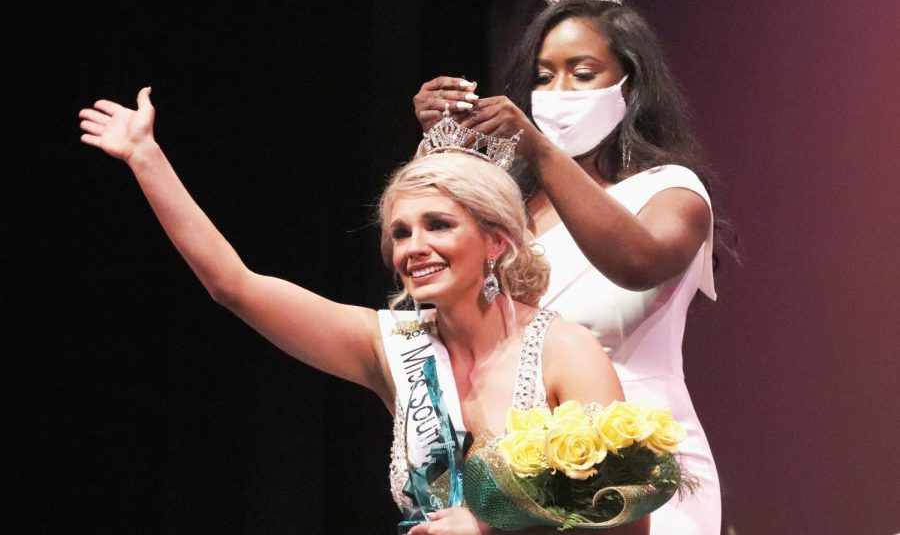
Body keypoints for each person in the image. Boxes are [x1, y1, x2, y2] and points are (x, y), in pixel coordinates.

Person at [78, 88, 649, 535]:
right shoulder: (390, 346)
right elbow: (234, 286)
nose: (413, 247)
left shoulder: (562, 349)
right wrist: (145, 158)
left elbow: (627, 514)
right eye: (399, 233)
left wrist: (494, 523)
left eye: (439, 225)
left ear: (496, 242)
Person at [412, 0, 726, 533]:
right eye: (543, 75)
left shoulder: (672, 190)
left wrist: (538, 150)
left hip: (636, 465)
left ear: (631, 82)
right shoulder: (507, 207)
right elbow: (446, 292)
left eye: (582, 74)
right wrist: (439, 148)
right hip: (517, 473)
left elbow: (636, 264)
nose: (558, 93)